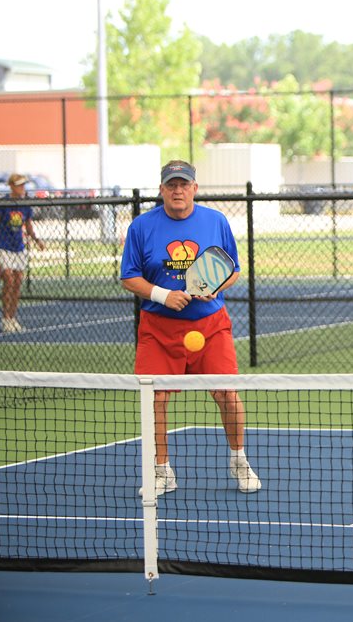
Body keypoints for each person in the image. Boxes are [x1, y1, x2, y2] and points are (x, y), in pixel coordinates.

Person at [120, 160, 260, 495]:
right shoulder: (141, 227)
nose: (178, 190)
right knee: (153, 399)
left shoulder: (216, 221)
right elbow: (129, 277)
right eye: (171, 185)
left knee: (228, 395)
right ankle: (161, 470)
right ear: (162, 190)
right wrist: (163, 295)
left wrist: (217, 286)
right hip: (158, 329)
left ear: (195, 188)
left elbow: (233, 269)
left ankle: (240, 461)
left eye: (184, 184)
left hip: (210, 326)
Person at [0, 173, 46, 333]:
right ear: (12, 186)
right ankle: (5, 318)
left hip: (18, 247)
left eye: (24, 185)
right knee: (8, 278)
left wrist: (37, 240)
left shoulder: (25, 205)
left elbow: (28, 226)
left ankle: (12, 317)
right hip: (3, 246)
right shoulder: (3, 204)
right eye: (19, 185)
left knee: (17, 281)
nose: (22, 188)